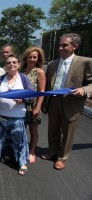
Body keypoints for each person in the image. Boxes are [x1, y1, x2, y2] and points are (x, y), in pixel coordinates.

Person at [41, 33, 92, 170]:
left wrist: (84, 89)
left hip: (72, 104)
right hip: (54, 102)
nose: (60, 48)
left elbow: (91, 83)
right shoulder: (53, 64)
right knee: (52, 131)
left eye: (65, 45)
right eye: (59, 45)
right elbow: (46, 85)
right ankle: (52, 152)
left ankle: (62, 157)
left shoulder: (85, 62)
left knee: (68, 133)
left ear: (75, 46)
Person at [0, 54, 33, 175]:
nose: (11, 64)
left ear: (19, 64)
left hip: (18, 115)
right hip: (1, 115)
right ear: (5, 65)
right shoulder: (0, 79)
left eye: (14, 62)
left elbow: (31, 94)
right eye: (9, 62)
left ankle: (22, 162)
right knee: (3, 138)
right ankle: (7, 155)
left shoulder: (23, 78)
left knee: (19, 139)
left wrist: (24, 100)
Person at [20, 47, 46, 164]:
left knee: (33, 129)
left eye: (34, 57)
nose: (31, 59)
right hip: (21, 105)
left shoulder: (39, 72)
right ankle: (22, 149)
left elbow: (42, 91)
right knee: (21, 129)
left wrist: (38, 108)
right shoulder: (22, 70)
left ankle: (32, 152)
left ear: (38, 59)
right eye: (30, 57)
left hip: (33, 105)